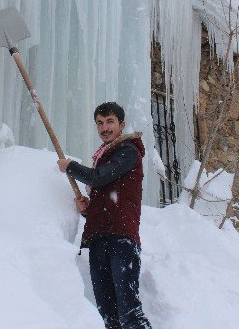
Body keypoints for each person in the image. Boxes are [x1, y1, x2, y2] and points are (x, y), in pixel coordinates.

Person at [57, 102, 152, 329]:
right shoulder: (105, 156)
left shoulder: (129, 152)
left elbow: (99, 177)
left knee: (130, 313)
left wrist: (71, 167)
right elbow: (107, 192)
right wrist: (88, 209)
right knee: (108, 316)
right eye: (100, 123)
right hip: (100, 240)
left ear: (122, 125)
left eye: (110, 121)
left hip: (121, 240)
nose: (104, 128)